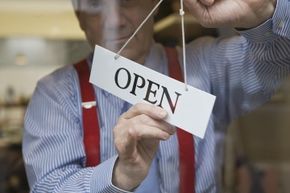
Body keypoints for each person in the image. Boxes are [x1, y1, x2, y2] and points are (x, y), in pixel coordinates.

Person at [22, 0, 290, 192]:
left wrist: (266, 11)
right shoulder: (55, 93)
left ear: (154, 6)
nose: (115, 20)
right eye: (95, 5)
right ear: (79, 16)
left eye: (128, 1)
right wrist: (120, 175)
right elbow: (48, 187)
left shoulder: (205, 65)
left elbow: (278, 61)